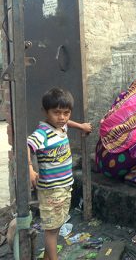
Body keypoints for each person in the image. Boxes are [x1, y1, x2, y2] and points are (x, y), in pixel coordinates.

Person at [27, 87, 92, 260]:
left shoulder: (61, 127)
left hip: (64, 187)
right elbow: (26, 146)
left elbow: (67, 123)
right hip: (51, 190)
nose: (62, 117)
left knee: (56, 226)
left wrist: (81, 126)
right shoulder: (42, 133)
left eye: (66, 113)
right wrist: (29, 168)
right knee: (51, 230)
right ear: (45, 112)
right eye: (56, 113)